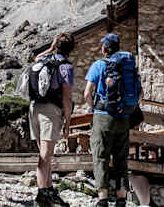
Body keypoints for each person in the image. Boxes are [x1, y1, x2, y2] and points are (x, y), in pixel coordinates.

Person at [84, 33, 141, 207]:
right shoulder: (128, 66)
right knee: (121, 159)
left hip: (103, 116)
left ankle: (102, 198)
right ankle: (121, 198)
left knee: (100, 156)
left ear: (104, 49)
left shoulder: (98, 65)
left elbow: (87, 93)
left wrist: (93, 108)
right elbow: (140, 95)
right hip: (124, 118)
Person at [29, 33, 75, 207]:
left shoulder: (44, 59)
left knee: (45, 154)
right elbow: (67, 98)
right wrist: (68, 123)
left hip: (34, 108)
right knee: (46, 155)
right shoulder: (66, 67)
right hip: (50, 112)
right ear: (71, 49)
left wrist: (50, 47)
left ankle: (48, 189)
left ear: (56, 45)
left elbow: (36, 58)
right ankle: (41, 195)